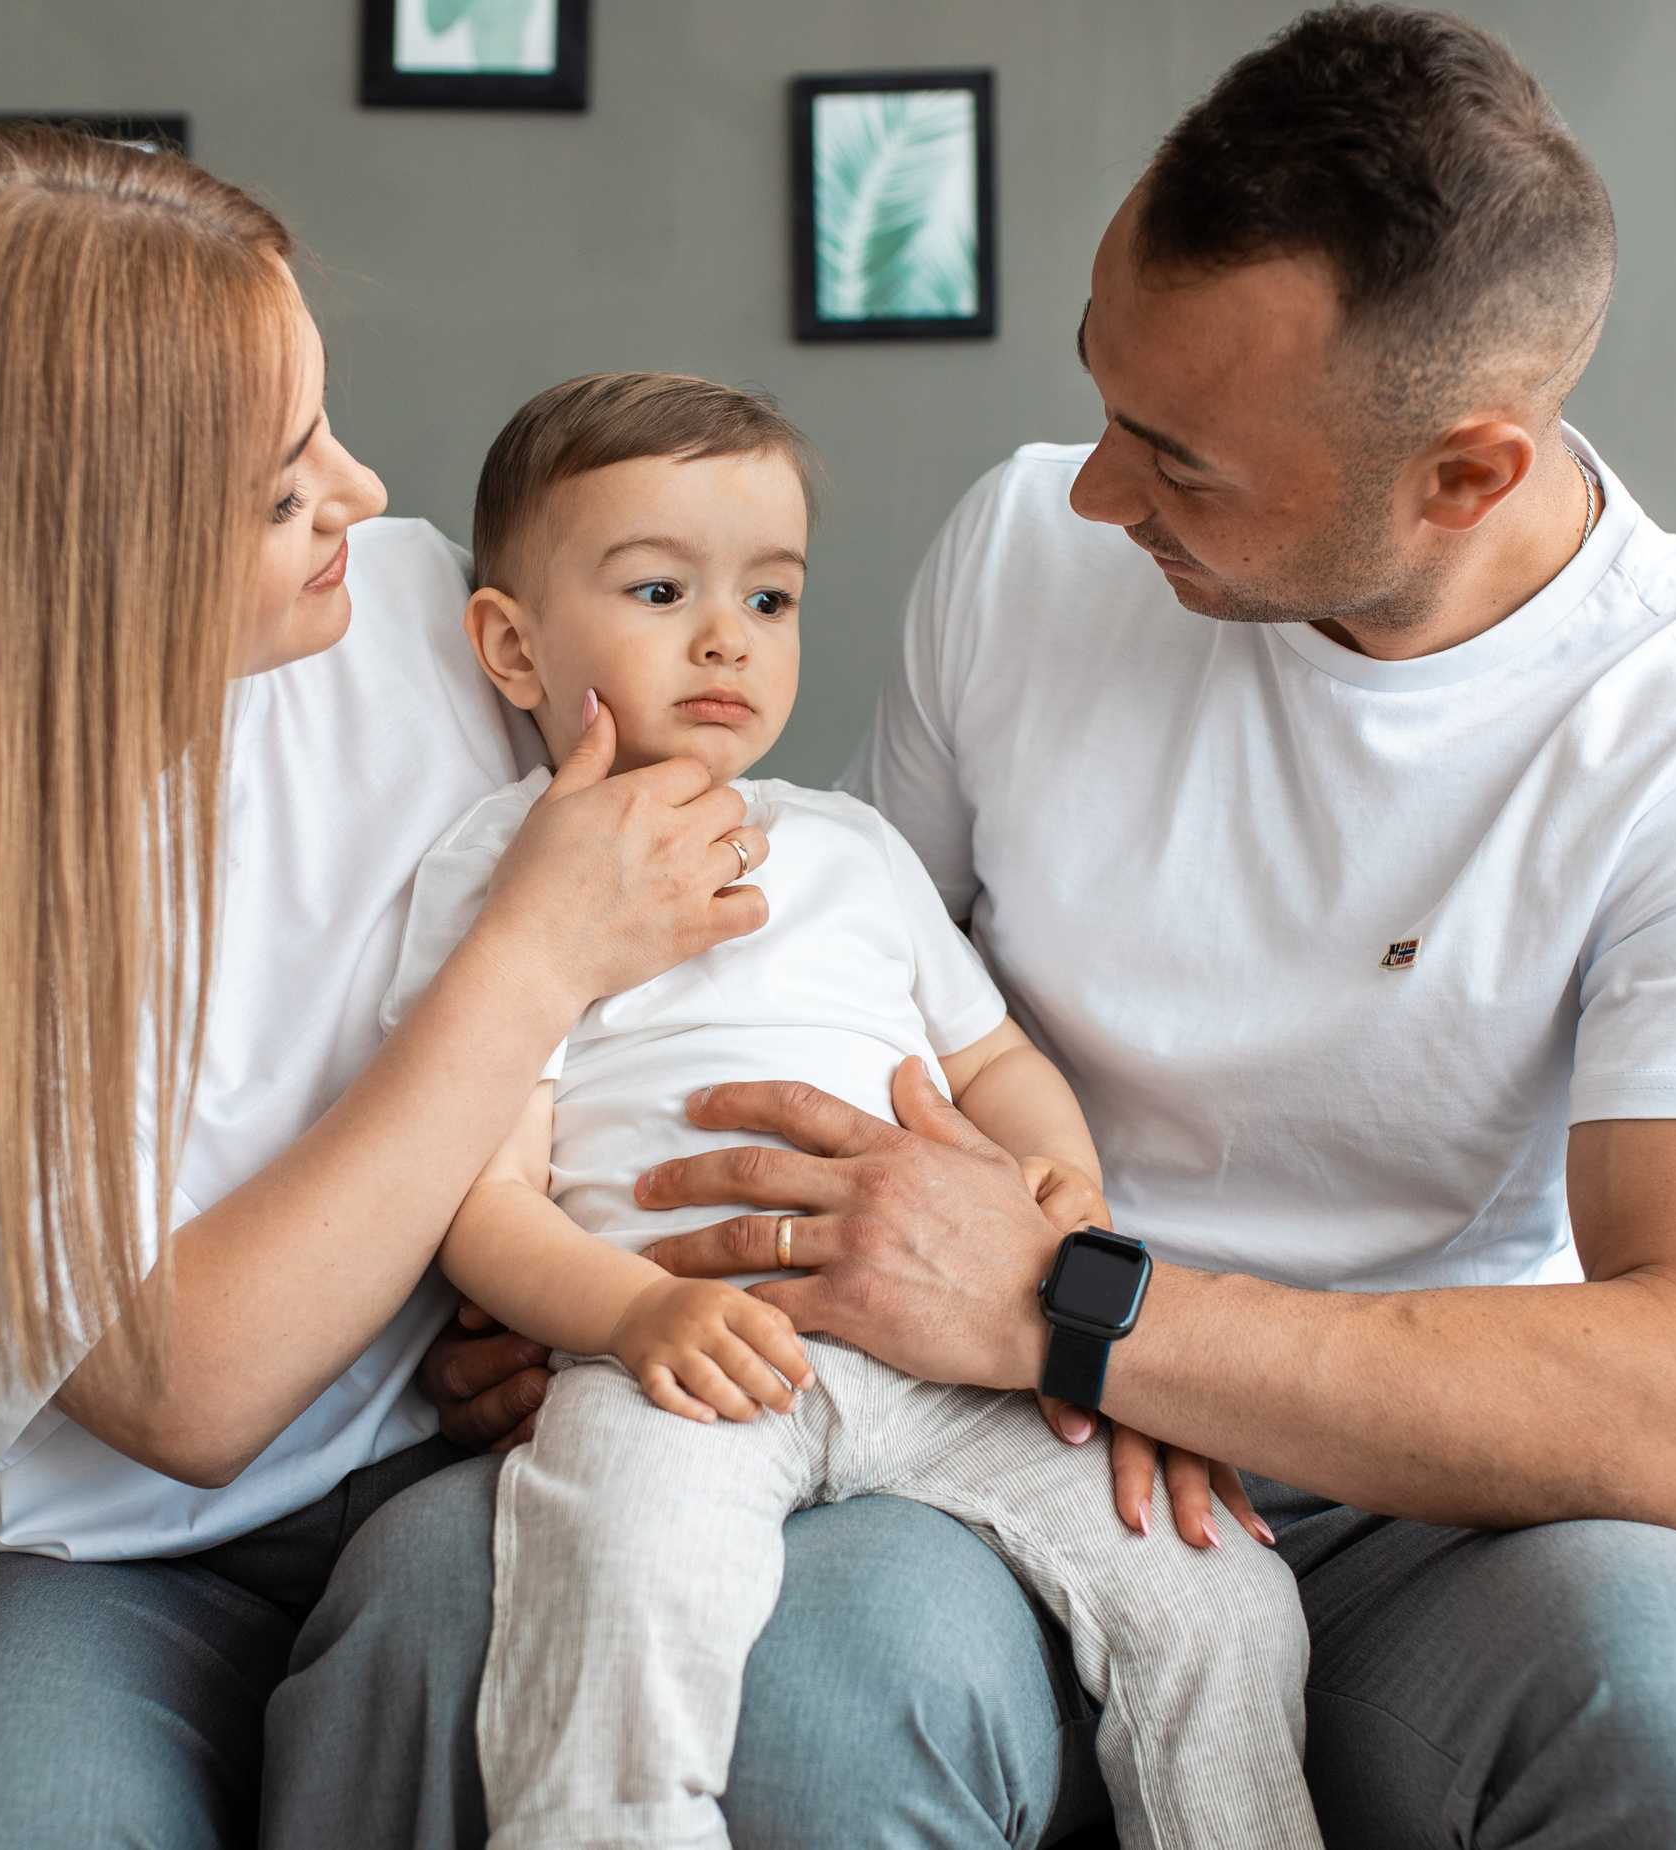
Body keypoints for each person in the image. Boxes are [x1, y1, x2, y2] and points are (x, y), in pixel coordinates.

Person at [282, 9, 1676, 1846]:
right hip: (956, 1425)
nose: (1096, 489)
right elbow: (819, 999)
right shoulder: (1024, 548)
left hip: (1417, 1503)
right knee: (822, 1695)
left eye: (1181, 459)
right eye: (1103, 399)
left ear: (1466, 475)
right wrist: (589, 1288)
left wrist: (1081, 1306)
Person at [0, 121, 775, 1847]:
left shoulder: (434, 629)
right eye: (280, 486)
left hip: (442, 1472)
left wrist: (546, 1297)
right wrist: (527, 951)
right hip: (91, 1557)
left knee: (486, 1639)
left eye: (323, 421)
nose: (366, 497)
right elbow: (190, 1392)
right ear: (69, 556)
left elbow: (691, 938)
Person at [372, 371, 1321, 1850]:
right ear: (511, 642)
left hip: (954, 1360)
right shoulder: (505, 877)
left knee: (1217, 1592)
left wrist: (1064, 1188)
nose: (722, 638)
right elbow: (480, 1196)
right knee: (621, 1591)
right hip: (689, 1361)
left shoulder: (854, 848)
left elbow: (996, 1063)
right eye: (660, 587)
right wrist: (631, 1319)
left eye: (769, 598)